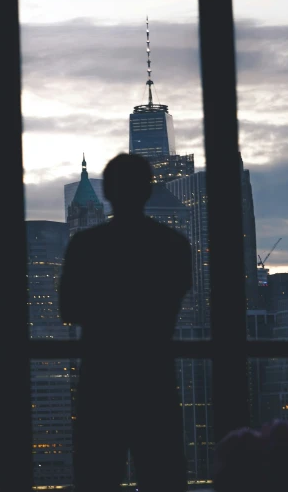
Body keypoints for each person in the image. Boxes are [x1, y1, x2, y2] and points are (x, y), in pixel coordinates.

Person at [60, 153, 192, 492]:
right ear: (148, 191)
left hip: (101, 379)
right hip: (154, 379)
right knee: (163, 476)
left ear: (108, 194)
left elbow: (69, 309)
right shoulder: (173, 245)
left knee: (96, 477)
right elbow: (174, 299)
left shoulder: (86, 245)